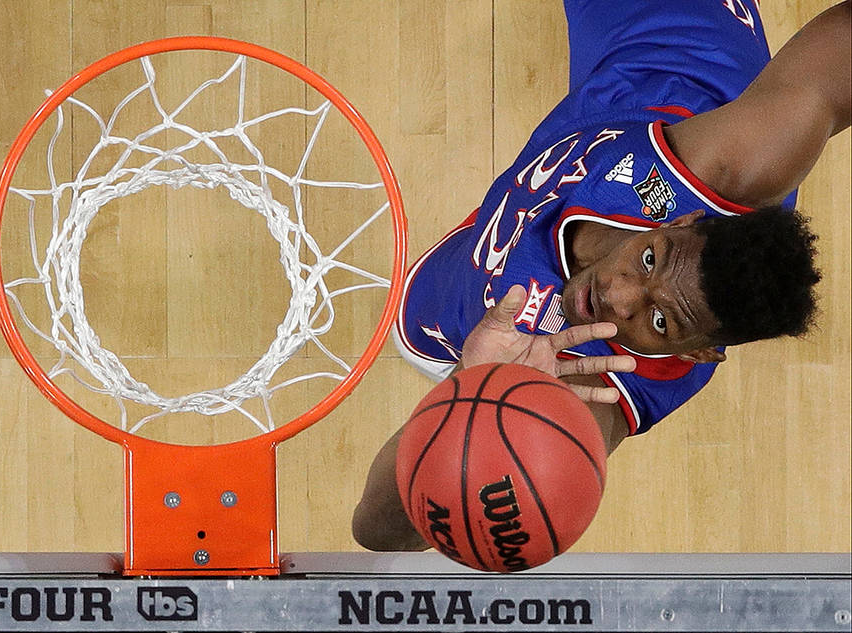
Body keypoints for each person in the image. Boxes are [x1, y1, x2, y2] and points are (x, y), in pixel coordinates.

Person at [352, 0, 850, 551]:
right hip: (667, 50)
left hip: (484, 307)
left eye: (660, 321)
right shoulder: (737, 158)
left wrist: (477, 393)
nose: (616, 295)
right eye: (649, 260)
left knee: (427, 321)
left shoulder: (596, 389)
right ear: (681, 219)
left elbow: (376, 528)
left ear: (698, 351)